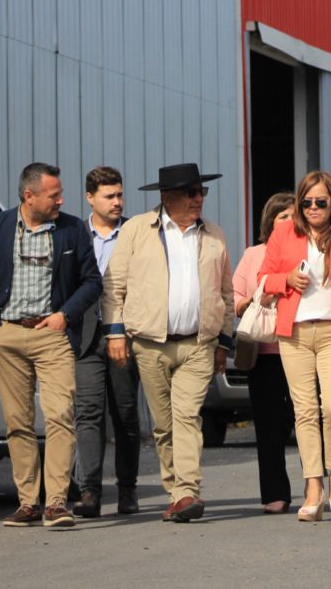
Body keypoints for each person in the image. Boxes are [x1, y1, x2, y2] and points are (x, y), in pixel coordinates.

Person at [0, 162, 102, 528]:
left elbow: (92, 282)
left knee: (60, 415)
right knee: (17, 421)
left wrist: (64, 316)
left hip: (52, 335)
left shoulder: (71, 230)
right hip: (7, 335)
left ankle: (55, 503)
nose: (61, 200)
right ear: (29, 196)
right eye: (54, 195)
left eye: (60, 194)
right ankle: (27, 503)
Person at [102, 163, 234, 523]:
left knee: (187, 416)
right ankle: (176, 491)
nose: (198, 198)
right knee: (164, 425)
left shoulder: (214, 235)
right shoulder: (136, 230)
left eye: (201, 191)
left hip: (198, 343)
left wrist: (223, 342)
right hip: (150, 344)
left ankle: (187, 491)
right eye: (191, 192)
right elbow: (114, 286)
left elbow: (226, 293)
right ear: (167, 197)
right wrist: (115, 332)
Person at [259, 171, 331, 522]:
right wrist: (286, 279)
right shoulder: (284, 232)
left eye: (320, 202)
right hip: (294, 332)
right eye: (306, 202)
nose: (313, 208)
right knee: (305, 411)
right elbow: (263, 278)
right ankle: (314, 484)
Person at [72, 166, 141, 518]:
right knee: (88, 413)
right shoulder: (75, 234)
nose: (117, 202)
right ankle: (89, 492)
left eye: (119, 195)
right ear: (90, 198)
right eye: (109, 196)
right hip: (85, 336)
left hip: (124, 335)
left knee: (125, 412)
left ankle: (127, 489)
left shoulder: (134, 233)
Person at [232, 191, 296, 514]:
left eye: (294, 216)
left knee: (302, 418)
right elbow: (234, 296)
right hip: (265, 352)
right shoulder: (253, 254)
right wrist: (250, 302)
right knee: (268, 424)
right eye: (283, 216)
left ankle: (316, 485)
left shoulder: (309, 251)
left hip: (300, 346)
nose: (290, 221)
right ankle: (275, 492)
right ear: (270, 221)